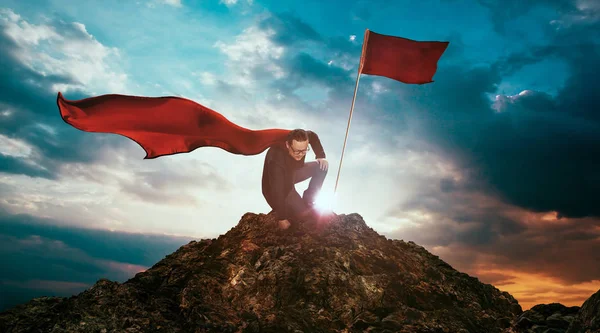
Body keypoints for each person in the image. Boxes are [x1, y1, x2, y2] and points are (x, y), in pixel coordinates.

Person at [262, 129, 331, 229]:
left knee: (322, 166)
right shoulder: (276, 161)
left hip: (293, 173)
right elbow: (278, 191)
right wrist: (282, 218)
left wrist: (321, 155)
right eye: (297, 151)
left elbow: (313, 136)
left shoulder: (304, 137)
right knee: (305, 216)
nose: (300, 154)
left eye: (304, 151)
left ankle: (309, 199)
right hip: (278, 188)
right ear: (287, 145)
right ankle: (298, 208)